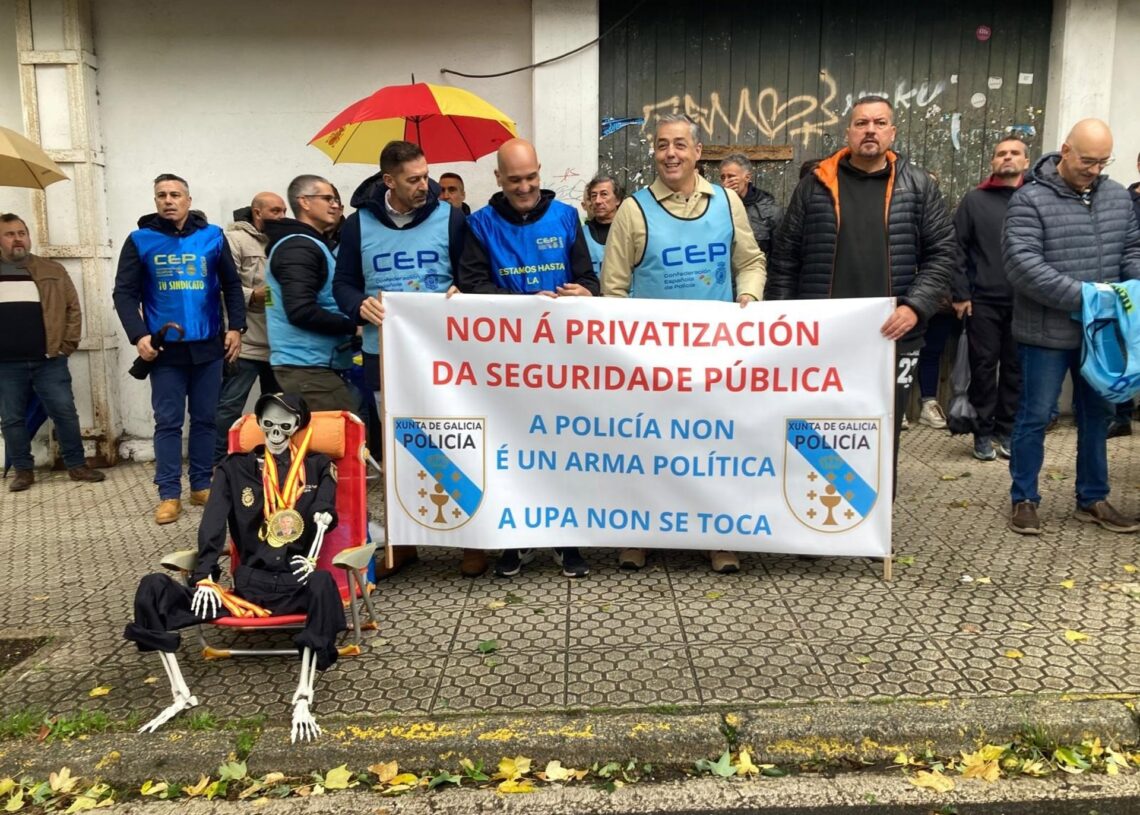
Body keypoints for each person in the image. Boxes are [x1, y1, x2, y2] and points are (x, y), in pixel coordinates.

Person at [125, 393, 346, 741]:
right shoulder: (235, 468)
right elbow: (211, 526)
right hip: (246, 591)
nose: (276, 431)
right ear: (259, 424)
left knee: (323, 583)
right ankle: (179, 694)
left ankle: (303, 696)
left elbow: (325, 511)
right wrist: (204, 578)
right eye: (268, 422)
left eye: (285, 423)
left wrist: (317, 540)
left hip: (297, 585)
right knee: (152, 587)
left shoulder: (317, 466)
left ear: (298, 426)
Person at [766, 95, 956, 499]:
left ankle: (871, 518)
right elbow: (785, 256)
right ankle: (817, 515)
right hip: (821, 339)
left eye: (879, 122)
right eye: (861, 123)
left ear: (892, 132)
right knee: (816, 424)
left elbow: (943, 252)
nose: (870, 130)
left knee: (881, 427)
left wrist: (915, 305)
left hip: (892, 336)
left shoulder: (918, 185)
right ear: (848, 131)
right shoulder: (814, 185)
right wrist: (779, 323)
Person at [603, 113, 766, 574]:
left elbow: (750, 260)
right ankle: (639, 534)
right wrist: (625, 350)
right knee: (648, 446)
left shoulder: (727, 203)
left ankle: (718, 537)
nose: (670, 153)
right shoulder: (633, 210)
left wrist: (748, 295)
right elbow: (613, 289)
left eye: (679, 144)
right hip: (651, 359)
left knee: (713, 446)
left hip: (714, 355)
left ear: (698, 151)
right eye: (661, 145)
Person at [457, 138, 599, 578]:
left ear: (541, 170)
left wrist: (586, 291)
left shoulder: (567, 217)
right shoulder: (478, 225)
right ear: (498, 179)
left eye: (531, 177)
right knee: (511, 451)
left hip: (562, 359)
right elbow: (473, 285)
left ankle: (565, 537)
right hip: (503, 362)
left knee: (563, 449)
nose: (524, 187)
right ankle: (513, 540)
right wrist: (522, 303)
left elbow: (588, 279)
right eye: (515, 179)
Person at [332, 141, 470, 577]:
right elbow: (344, 284)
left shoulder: (451, 218)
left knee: (454, 441)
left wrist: (462, 292)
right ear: (387, 181)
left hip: (444, 355)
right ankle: (403, 543)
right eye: (413, 179)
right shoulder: (357, 227)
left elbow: (471, 273)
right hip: (384, 355)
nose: (424, 186)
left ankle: (468, 539)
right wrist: (359, 305)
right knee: (400, 448)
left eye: (426, 176)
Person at [1003, 119, 1140, 535]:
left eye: (1103, 162)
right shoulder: (1029, 199)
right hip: (1045, 332)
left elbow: (1132, 250)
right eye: (1087, 160)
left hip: (1100, 334)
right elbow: (1022, 265)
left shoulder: (1118, 198)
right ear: (1065, 151)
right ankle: (1024, 498)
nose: (1095, 170)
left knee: (1097, 415)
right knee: (1035, 415)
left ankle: (1092, 498)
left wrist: (1130, 288)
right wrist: (1086, 296)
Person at [113, 174, 245, 525]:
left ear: (188, 199)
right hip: (165, 350)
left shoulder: (212, 237)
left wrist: (236, 327)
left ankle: (201, 484)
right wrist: (138, 335)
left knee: (205, 419)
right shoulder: (140, 241)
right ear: (154, 201)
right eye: (161, 195)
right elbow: (124, 294)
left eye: (175, 194)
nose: (168, 200)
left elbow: (232, 285)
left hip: (208, 346)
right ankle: (168, 494)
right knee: (168, 422)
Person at [0, 213, 105, 491]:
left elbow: (73, 308)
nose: (18, 238)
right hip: (5, 364)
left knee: (64, 412)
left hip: (49, 360)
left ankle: (76, 465)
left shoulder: (52, 269)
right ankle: (23, 470)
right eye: (9, 234)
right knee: (11, 418)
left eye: (22, 232)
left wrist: (67, 344)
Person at [952, 137, 1030, 461]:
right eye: (1001, 153)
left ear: (1026, 161)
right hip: (982, 300)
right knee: (983, 369)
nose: (1007, 158)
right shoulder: (975, 200)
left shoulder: (1035, 198)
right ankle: (982, 433)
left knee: (1016, 370)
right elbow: (956, 248)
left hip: (1027, 303)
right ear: (993, 162)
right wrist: (960, 294)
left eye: (1014, 153)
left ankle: (1007, 431)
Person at [263, 175, 358, 412]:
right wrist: (352, 326)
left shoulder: (309, 243)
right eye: (327, 198)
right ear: (304, 202)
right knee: (343, 440)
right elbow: (301, 310)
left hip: (314, 365)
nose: (335, 204)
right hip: (308, 367)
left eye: (336, 199)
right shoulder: (299, 247)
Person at [213, 193, 287, 464]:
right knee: (229, 406)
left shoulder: (283, 241)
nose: (281, 217)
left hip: (278, 345)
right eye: (275, 211)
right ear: (257, 212)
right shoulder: (235, 240)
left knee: (279, 410)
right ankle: (218, 462)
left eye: (283, 211)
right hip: (246, 344)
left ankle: (274, 460)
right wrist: (257, 296)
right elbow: (223, 287)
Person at [718, 153, 782, 256]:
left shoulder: (770, 211)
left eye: (731, 176)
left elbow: (780, 253)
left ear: (747, 178)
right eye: (723, 178)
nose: (726, 182)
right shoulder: (716, 207)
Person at [582, 174, 624, 274]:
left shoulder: (630, 231)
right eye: (593, 196)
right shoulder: (581, 235)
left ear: (617, 199)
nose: (597, 201)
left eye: (604, 194)